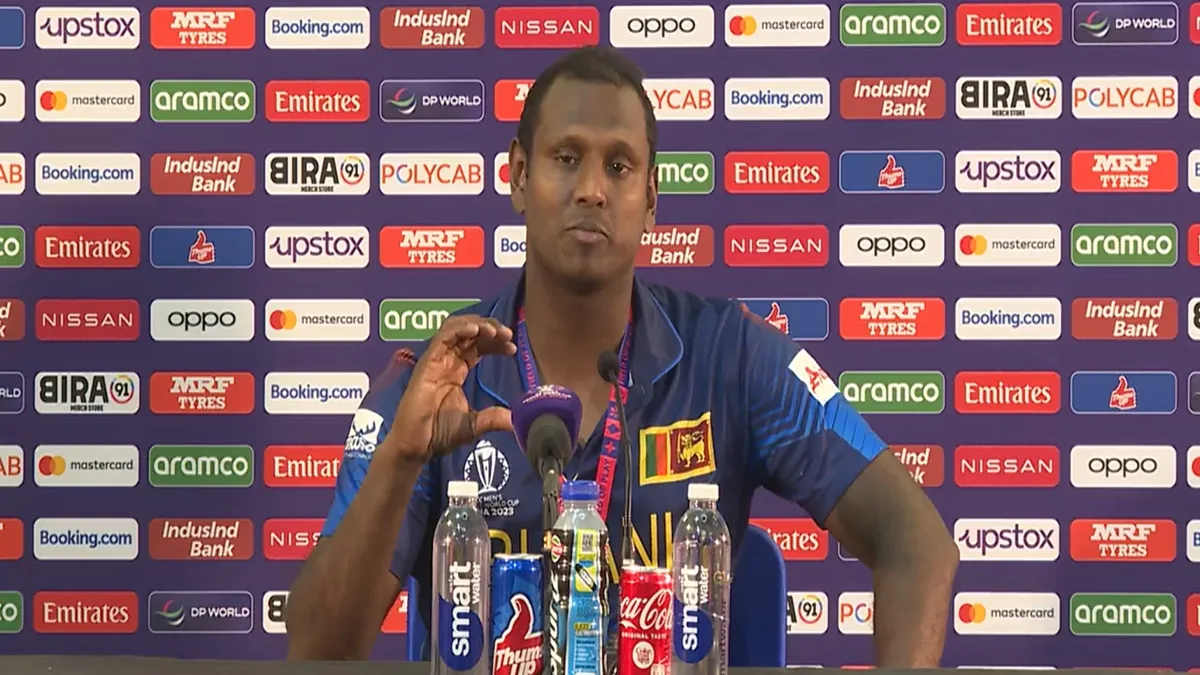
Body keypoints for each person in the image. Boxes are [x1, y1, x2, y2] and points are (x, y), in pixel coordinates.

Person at [285, 46, 958, 667]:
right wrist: (400, 459)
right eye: (565, 157)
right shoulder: (439, 380)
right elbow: (317, 649)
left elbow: (918, 541)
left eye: (618, 165)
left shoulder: (733, 356)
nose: (592, 189)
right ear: (519, 176)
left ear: (651, 197)